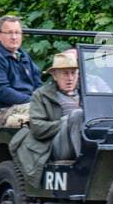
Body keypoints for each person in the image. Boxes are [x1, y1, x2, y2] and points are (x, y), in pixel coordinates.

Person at [11, 50, 85, 184]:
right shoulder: (41, 95)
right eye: (65, 73)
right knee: (77, 115)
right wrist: (65, 122)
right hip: (54, 145)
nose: (70, 78)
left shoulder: (85, 94)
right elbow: (37, 128)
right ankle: (84, 163)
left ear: (78, 74)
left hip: (87, 138)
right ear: (55, 76)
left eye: (73, 73)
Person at [0, 16, 41, 127]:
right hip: (3, 112)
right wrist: (34, 101)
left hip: (27, 105)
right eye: (9, 33)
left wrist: (43, 99)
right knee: (44, 116)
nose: (14, 37)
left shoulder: (22, 55)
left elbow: (37, 82)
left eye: (17, 32)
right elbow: (1, 92)